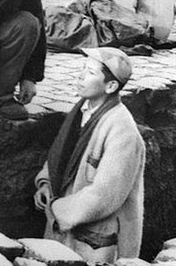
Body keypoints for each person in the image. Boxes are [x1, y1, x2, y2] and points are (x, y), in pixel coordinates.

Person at [34, 47, 146, 264]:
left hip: (95, 236)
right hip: (64, 219)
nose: (81, 76)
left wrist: (56, 208)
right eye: (82, 69)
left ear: (111, 86)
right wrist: (46, 184)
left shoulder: (122, 130)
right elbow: (62, 154)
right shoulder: (82, 111)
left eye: (91, 73)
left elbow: (104, 195)